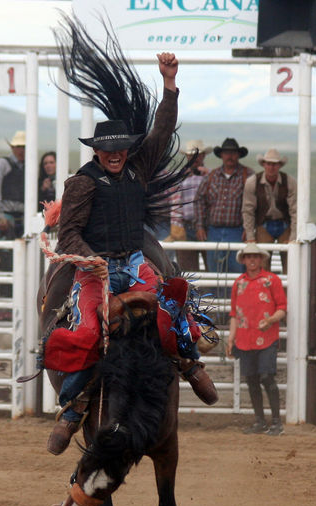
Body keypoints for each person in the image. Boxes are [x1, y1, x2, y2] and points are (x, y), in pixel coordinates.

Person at [43, 52, 218, 455]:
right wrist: (93, 261)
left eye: (121, 146)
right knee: (88, 331)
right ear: (97, 152)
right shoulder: (81, 184)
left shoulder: (138, 168)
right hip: (94, 270)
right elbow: (68, 234)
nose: (116, 153)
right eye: (109, 149)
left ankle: (191, 365)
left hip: (134, 262)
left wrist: (169, 86)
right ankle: (72, 410)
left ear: (126, 148)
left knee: (173, 307)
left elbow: (161, 129)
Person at [226, 243, 287, 436]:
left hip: (266, 338)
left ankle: (276, 422)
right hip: (245, 338)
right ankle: (261, 421)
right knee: (252, 380)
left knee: (267, 377)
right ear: (244, 260)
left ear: (261, 259)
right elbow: (234, 314)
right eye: (248, 256)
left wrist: (270, 320)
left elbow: (282, 308)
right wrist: (231, 339)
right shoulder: (239, 283)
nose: (252, 260)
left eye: (255, 256)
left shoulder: (271, 280)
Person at [195, 138, 254, 275]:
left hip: (238, 231)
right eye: (226, 153)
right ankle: (217, 297)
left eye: (233, 153)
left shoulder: (248, 175)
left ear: (238, 155)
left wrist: (249, 228)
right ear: (221, 155)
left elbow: (255, 204)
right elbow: (199, 200)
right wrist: (200, 226)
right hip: (213, 231)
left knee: (237, 271)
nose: (230, 156)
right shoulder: (212, 176)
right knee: (215, 272)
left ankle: (235, 297)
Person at [242, 148, 296, 273]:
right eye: (269, 164)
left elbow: (295, 210)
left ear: (279, 166)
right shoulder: (252, 182)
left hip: (285, 224)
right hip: (263, 224)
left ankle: (288, 292)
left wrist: (293, 236)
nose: (271, 167)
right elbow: (248, 210)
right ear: (264, 164)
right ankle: (265, 291)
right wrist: (250, 236)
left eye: (275, 164)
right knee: (262, 265)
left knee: (290, 263)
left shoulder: (290, 182)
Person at [164, 139, 211, 272]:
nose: (195, 158)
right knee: (188, 269)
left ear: (203, 156)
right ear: (187, 157)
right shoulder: (178, 176)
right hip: (185, 227)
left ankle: (211, 293)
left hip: (206, 227)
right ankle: (191, 292)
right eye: (192, 155)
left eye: (198, 155)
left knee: (211, 266)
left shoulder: (211, 175)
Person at [0, 130, 26, 240]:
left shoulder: (29, 167)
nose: (21, 150)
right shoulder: (1, 164)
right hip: (5, 216)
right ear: (12, 147)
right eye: (18, 146)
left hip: (22, 217)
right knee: (3, 251)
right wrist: (0, 216)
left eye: (24, 147)